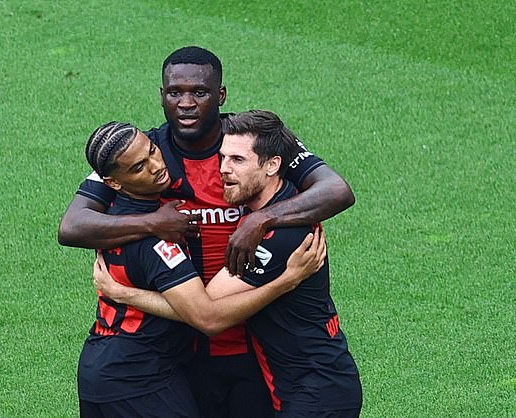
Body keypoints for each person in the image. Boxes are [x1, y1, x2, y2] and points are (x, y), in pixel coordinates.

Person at [59, 46, 355, 418]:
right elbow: (73, 226)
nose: (185, 104)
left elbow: (336, 190)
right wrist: (153, 223)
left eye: (198, 92)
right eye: (174, 93)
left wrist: (258, 220)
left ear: (220, 95)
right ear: (161, 96)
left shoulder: (249, 142)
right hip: (187, 350)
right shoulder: (143, 154)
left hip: (252, 347)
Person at [78, 120, 328, 418]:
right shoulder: (158, 242)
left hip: (100, 361)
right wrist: (287, 279)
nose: (156, 166)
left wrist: (120, 292)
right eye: (138, 168)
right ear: (114, 183)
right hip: (141, 377)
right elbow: (205, 316)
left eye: (154, 152)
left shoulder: (109, 221)